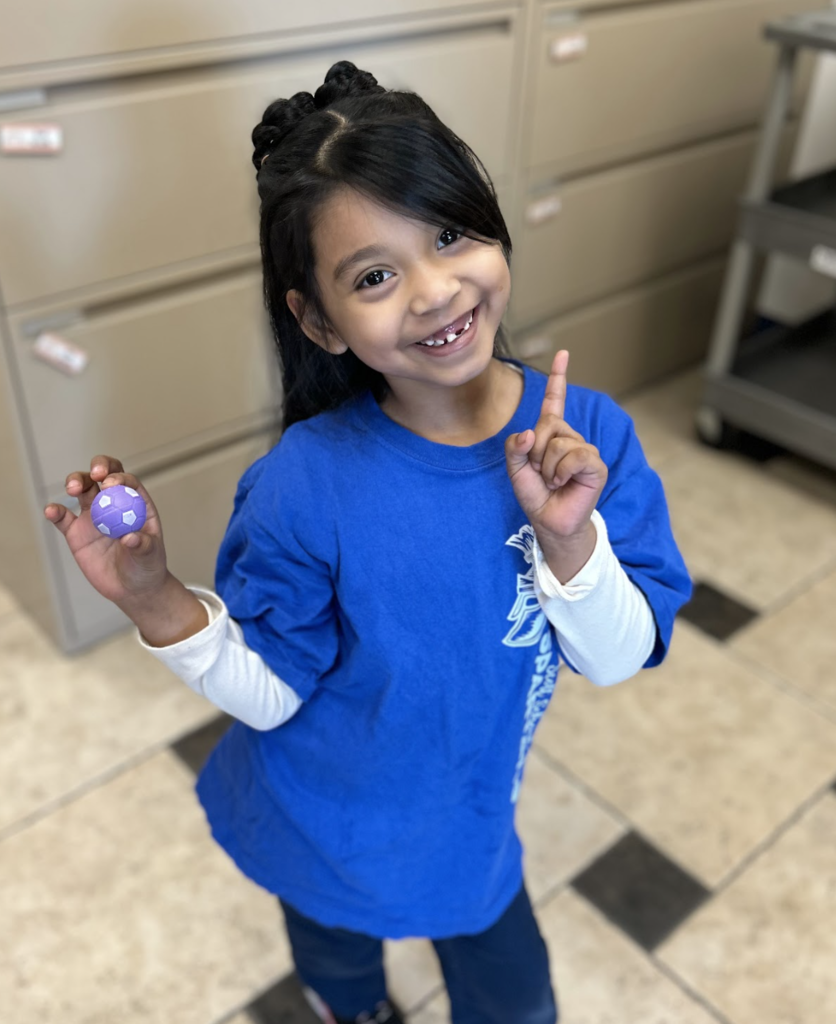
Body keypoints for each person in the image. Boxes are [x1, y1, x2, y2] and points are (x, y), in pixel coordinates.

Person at [44, 60, 692, 1024]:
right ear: (318, 319)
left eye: (450, 234)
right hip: (323, 823)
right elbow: (271, 692)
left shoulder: (585, 443)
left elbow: (620, 654)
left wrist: (570, 542)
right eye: (376, 276)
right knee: (344, 983)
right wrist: (152, 598)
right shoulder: (305, 484)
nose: (433, 290)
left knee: (517, 1005)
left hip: (469, 821)